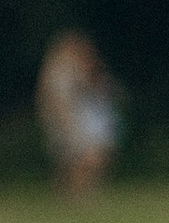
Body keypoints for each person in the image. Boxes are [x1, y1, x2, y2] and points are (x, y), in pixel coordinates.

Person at [35, 30, 122, 195]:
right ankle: (76, 194)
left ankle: (76, 193)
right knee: (81, 158)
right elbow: (54, 101)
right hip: (67, 119)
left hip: (76, 118)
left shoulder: (75, 70)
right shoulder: (57, 73)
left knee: (82, 158)